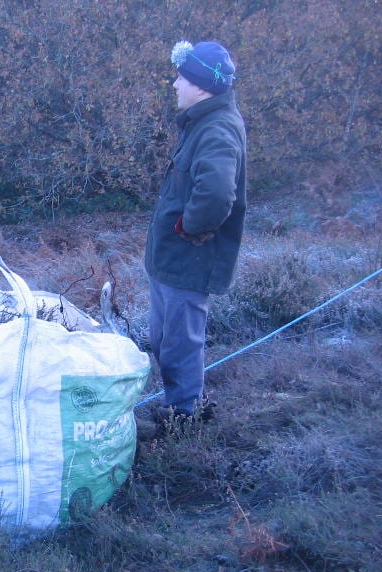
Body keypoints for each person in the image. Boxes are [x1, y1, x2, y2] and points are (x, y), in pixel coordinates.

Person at [145, 40, 247, 427]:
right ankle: (180, 403)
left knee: (181, 344)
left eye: (181, 77)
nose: (174, 84)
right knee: (166, 340)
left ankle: (184, 417)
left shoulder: (217, 130)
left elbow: (217, 193)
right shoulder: (201, 122)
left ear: (201, 86)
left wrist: (188, 228)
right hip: (172, 259)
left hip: (190, 258)